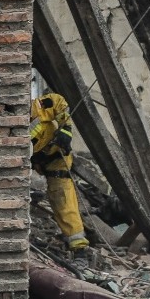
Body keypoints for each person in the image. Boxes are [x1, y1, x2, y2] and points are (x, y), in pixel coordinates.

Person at [29, 92, 89, 254]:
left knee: (62, 197)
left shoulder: (37, 108)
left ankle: (79, 247)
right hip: (36, 159)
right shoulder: (6, 129)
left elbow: (59, 101)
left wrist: (66, 130)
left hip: (58, 157)